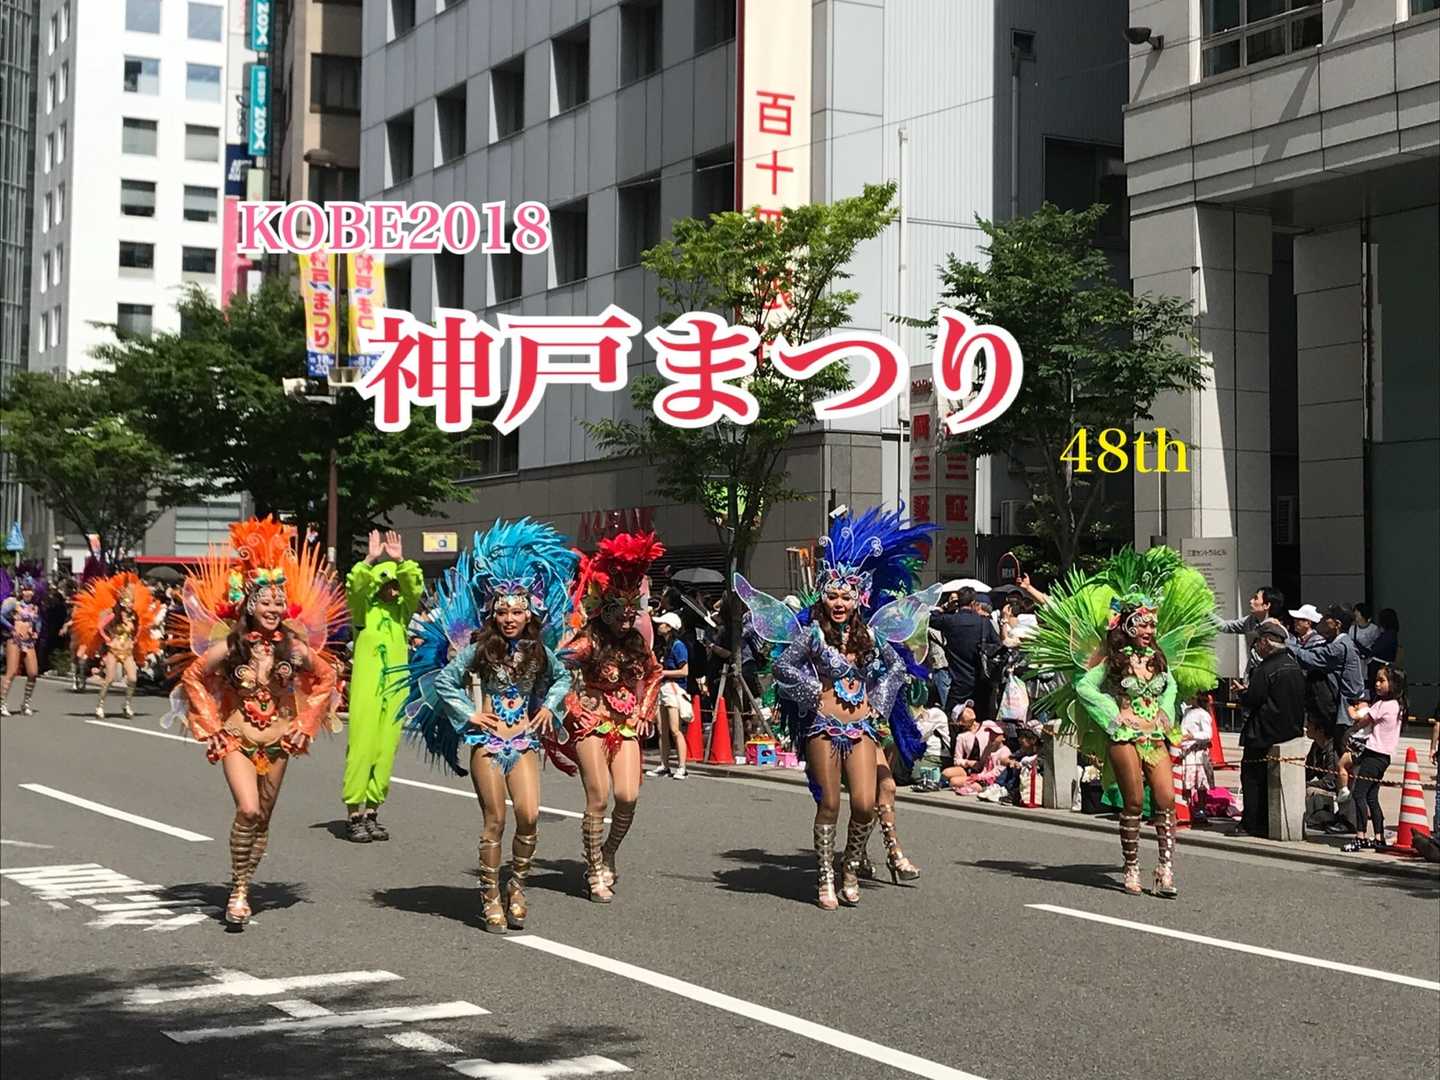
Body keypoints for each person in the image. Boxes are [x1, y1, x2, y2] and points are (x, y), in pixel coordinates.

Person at [738, 506, 936, 908]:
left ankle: (849, 866)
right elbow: (783, 666)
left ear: (859, 598)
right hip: (823, 726)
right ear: (822, 596)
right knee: (829, 803)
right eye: (832, 595)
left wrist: (879, 702)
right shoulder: (812, 635)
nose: (839, 602)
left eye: (846, 596)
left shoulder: (870, 637)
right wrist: (811, 691)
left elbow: (898, 667)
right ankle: (825, 876)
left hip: (861, 727)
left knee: (863, 804)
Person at [167, 517, 343, 926]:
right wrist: (211, 727)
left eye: (279, 602)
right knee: (247, 810)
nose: (273, 609)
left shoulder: (293, 647)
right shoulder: (231, 646)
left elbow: (327, 677)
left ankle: (244, 882)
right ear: (249, 604)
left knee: (262, 818)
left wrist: (305, 723)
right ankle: (239, 890)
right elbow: (193, 676)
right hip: (237, 738)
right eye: (266, 602)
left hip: (279, 743)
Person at [406, 519, 577, 932]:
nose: (509, 618)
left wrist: (548, 707)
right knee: (495, 819)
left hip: (524, 741)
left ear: (529, 612)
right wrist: (471, 714)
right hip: (488, 742)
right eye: (502, 611)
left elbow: (563, 678)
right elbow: (445, 681)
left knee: (530, 816)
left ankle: (516, 887)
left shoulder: (538, 650)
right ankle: (489, 897)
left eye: (517, 611)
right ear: (492, 613)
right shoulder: (480, 649)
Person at [1022, 546, 1218, 898]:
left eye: (1153, 624)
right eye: (1144, 624)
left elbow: (1171, 686)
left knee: (1165, 800)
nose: (1150, 630)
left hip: (1154, 735)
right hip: (1125, 735)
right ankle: (1131, 868)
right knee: (1133, 802)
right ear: (1128, 625)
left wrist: (1165, 711)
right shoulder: (1112, 659)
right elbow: (1084, 686)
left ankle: (1165, 869)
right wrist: (1115, 715)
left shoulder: (1157, 658)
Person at [556, 531, 665, 904]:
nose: (626, 619)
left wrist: (645, 710)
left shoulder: (636, 643)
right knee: (599, 797)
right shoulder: (589, 641)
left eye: (631, 612)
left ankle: (608, 852)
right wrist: (573, 705)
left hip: (625, 725)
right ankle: (592, 871)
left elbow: (654, 674)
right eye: (620, 612)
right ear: (604, 609)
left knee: (628, 796)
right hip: (591, 724)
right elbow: (555, 667)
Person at [341, 530, 423, 843]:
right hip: (367, 689)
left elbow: (414, 586)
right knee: (361, 747)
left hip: (395, 689)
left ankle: (372, 812)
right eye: (387, 583)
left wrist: (401, 561)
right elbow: (356, 586)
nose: (393, 588)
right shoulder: (363, 612)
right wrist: (370, 560)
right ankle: (354, 813)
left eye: (395, 584)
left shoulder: (402, 613)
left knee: (386, 749)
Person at [1236, 621, 1306, 840]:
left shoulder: (1266, 668)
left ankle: (1252, 823)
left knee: (1253, 779)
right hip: (1289, 733)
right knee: (1274, 781)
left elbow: (1254, 699)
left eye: (1258, 641)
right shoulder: (1293, 665)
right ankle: (1270, 823)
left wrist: (1242, 693)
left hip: (1262, 733)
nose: (1256, 645)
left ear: (1266, 642)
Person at [68, 572, 164, 720]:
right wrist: (107, 639)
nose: (129, 605)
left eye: (131, 602)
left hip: (127, 651)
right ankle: (100, 705)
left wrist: (134, 639)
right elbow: (100, 626)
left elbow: (139, 628)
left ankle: (127, 704)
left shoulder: (134, 617)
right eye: (127, 602)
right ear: (122, 603)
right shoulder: (114, 615)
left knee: (132, 679)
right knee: (110, 679)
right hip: (113, 650)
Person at [1290, 611, 1365, 797]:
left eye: (1326, 620)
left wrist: (1286, 644)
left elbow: (1311, 659)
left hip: (1344, 711)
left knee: (1339, 751)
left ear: (1337, 624)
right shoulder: (1337, 643)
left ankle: (1341, 793)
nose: (1321, 622)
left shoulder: (1340, 647)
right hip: (1340, 710)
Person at [1340, 665, 1406, 853]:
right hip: (1383, 757)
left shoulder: (1383, 705)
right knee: (1371, 796)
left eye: (1382, 681)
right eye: (1376, 680)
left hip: (1374, 754)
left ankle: (1360, 836)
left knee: (1359, 794)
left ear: (1393, 683)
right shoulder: (1397, 705)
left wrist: (1350, 722)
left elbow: (1362, 720)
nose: (1377, 684)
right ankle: (1379, 837)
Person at [931, 586, 999, 721]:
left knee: (953, 718)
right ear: (973, 603)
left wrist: (945, 606)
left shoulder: (950, 621)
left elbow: (931, 618)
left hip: (958, 681)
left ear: (958, 602)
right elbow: (997, 645)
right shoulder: (984, 623)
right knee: (982, 721)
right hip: (982, 680)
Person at [648, 611, 690, 779]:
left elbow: (684, 671)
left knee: (675, 729)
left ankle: (682, 767)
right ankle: (664, 765)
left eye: (662, 624)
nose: (659, 626)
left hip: (673, 688)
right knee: (662, 730)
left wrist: (662, 672)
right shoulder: (664, 646)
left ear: (670, 627)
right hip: (662, 688)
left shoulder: (678, 646)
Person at [0, 575, 44, 716]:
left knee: (33, 673)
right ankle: (2, 703)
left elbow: (38, 621)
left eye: (30, 590)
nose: (27, 593)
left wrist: (37, 632)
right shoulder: (13, 603)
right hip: (15, 640)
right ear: (20, 590)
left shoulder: (35, 607)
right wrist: (11, 628)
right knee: (11, 672)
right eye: (25, 589)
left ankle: (25, 703)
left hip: (29, 642)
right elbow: (1, 615)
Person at [1218, 586, 1287, 673]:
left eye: (1256, 598)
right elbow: (1225, 626)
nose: (1251, 601)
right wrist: (1204, 611)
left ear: (1266, 605)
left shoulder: (1276, 631)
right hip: (1253, 675)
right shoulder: (1250, 620)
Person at [1177, 693, 1215, 818]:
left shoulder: (1203, 714)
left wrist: (1193, 736)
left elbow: (1208, 734)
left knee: (1201, 781)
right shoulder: (1187, 710)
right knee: (1187, 780)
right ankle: (1187, 807)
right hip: (1186, 751)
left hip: (1198, 752)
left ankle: (1201, 808)